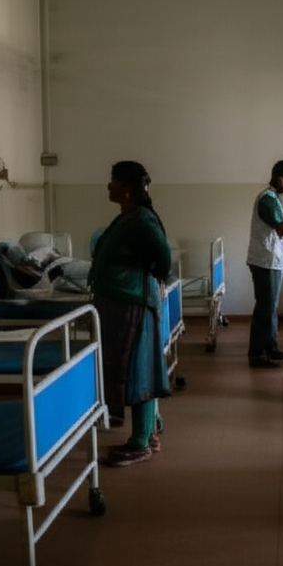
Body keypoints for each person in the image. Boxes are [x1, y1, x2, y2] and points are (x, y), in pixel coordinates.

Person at [89, 160, 172, 467]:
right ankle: (146, 433)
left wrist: (152, 275)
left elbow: (163, 256)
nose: (108, 186)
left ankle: (141, 442)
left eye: (113, 181)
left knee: (140, 371)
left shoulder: (142, 220)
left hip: (133, 304)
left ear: (126, 188)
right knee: (136, 369)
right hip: (122, 303)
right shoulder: (128, 217)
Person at [246, 159, 283, 368]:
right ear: (280, 178)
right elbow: (282, 229)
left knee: (269, 307)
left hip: (271, 261)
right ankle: (258, 353)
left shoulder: (273, 198)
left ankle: (271, 348)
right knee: (266, 308)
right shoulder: (267, 200)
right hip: (265, 261)